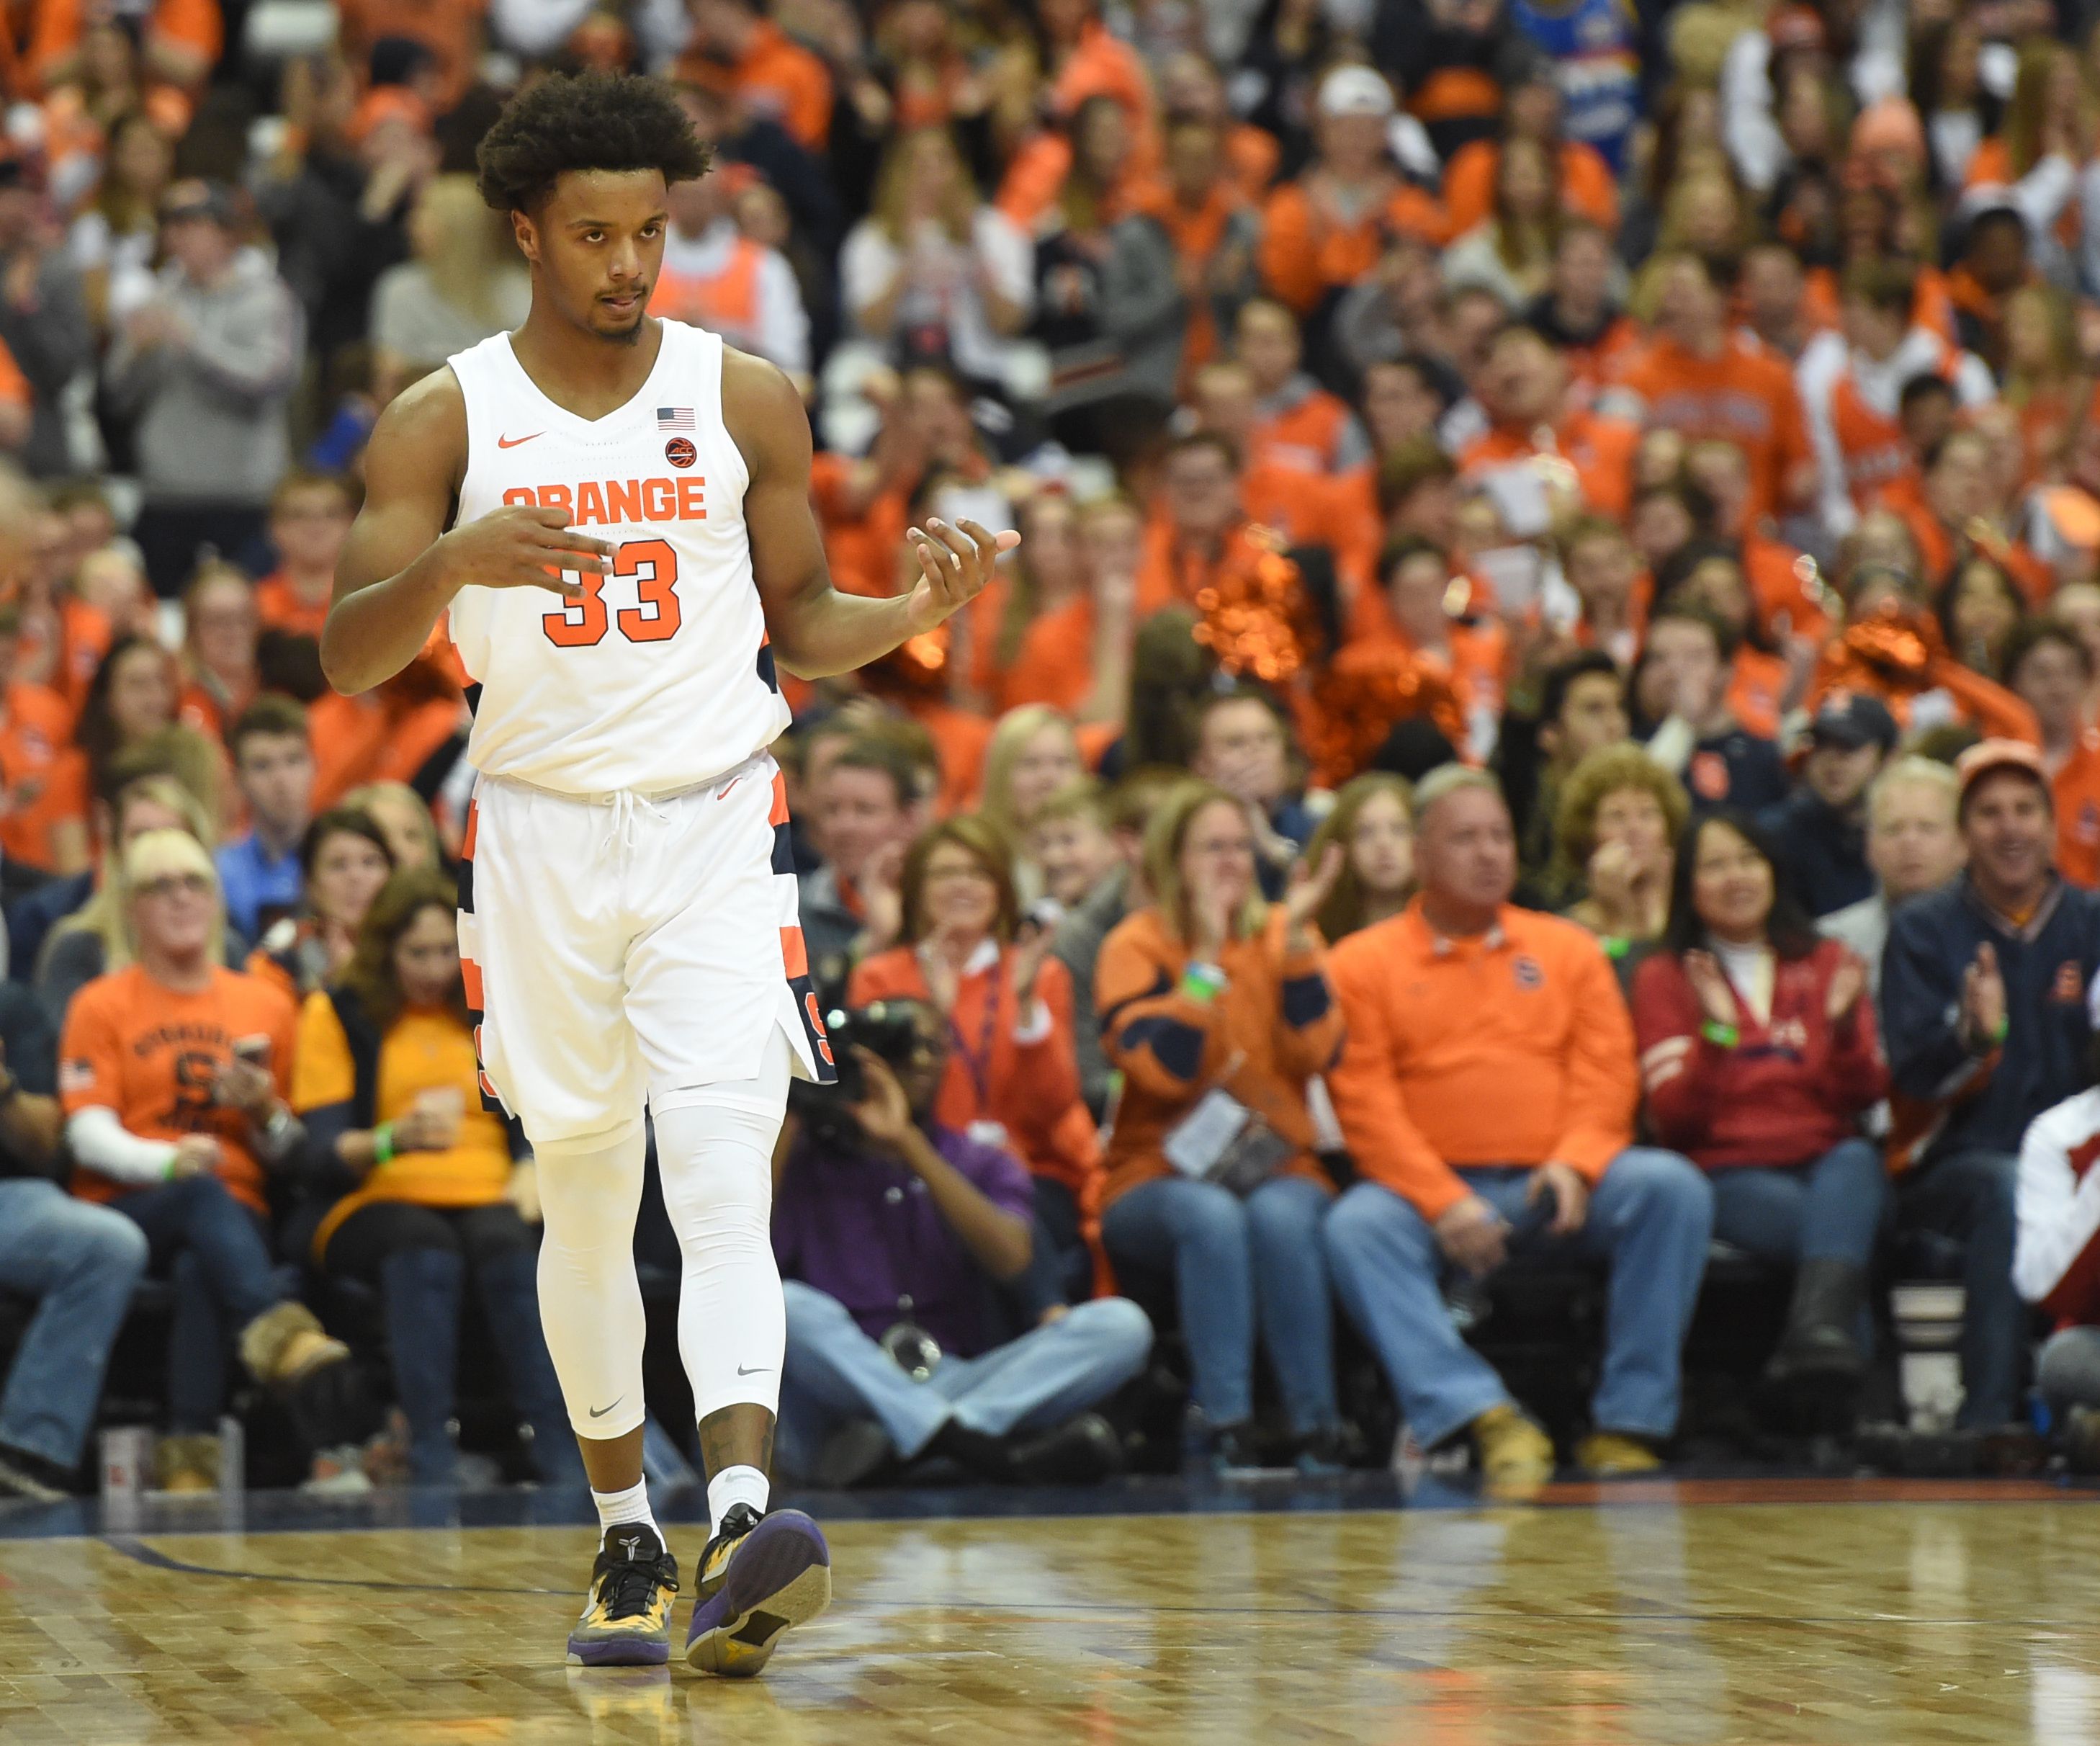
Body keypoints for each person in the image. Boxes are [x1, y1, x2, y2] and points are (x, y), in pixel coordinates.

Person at [320, 73, 1015, 1673]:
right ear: (525, 235)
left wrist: (903, 623)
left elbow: (805, 621)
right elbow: (351, 654)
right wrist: (448, 567)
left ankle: (744, 1515)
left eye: (650, 232)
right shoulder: (447, 415)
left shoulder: (745, 394)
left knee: (718, 1179)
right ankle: (626, 1533)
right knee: (583, 1191)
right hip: (542, 839)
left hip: (715, 823)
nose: (629, 265)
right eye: (594, 237)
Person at [1324, 766, 1715, 1495]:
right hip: (1430, 1197)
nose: (1489, 853)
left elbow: (1607, 1077)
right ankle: (1483, 1415)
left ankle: (1627, 1425)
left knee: (1670, 1189)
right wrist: (1444, 1201)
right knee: (1354, 1225)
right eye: (1465, 838)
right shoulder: (1360, 962)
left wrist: (1576, 1163)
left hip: (1554, 1185)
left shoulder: (1569, 948)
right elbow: (1366, 1104)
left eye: (1499, 836)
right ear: (1420, 854)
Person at [58, 829, 367, 1492]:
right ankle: (283, 1341)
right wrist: (168, 1163)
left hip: (238, 1213)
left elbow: (291, 1155)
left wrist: (263, 1112)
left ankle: (190, 1462)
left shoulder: (267, 1003)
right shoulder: (101, 1002)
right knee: (201, 1196)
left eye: (194, 882)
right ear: (130, 907)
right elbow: (86, 1134)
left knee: (207, 1261)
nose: (180, 898)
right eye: (158, 886)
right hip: (127, 1204)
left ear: (217, 898)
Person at [773, 998, 1151, 1487]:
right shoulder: (805, 1162)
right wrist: (793, 1111)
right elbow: (741, 1255)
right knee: (784, 1304)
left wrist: (908, 1143)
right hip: (845, 1389)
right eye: (902, 1049)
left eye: (934, 1047)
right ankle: (981, 1450)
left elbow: (1013, 1259)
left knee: (1123, 1325)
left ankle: (922, 1444)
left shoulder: (979, 1160)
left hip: (957, 1377)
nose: (921, 1062)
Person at [289, 868, 579, 1487]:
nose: (434, 968)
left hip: (485, 1189)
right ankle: (429, 1451)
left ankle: (557, 1448)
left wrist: (531, 1164)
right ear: (385, 951)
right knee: (423, 1246)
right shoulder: (339, 1013)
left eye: (448, 951)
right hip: (374, 1196)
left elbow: (533, 1109)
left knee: (507, 1245)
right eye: (416, 953)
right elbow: (319, 1153)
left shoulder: (489, 1008)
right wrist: (394, 1139)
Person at [1633, 813, 1889, 1408]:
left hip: (1827, 1162)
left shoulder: (1827, 960)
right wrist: (1718, 1037)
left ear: (1773, 871)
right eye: (1716, 865)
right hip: (1725, 1172)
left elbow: (1862, 1096)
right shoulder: (1665, 975)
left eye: (1749, 860)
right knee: (1839, 1237)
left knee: (1855, 1163)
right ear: (1689, 885)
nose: (1736, 877)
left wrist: (1847, 1027)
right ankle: (1858, 1403)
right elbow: (1675, 1120)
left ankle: (1813, 1352)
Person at [1880, 740, 2100, 1431]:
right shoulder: (1922, 928)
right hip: (1954, 1164)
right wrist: (1971, 1041)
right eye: (1988, 813)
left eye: (2025, 809)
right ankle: (1992, 1420)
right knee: (2005, 1187)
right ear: (1963, 832)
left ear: (2051, 820)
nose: (2009, 828)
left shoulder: (2092, 921)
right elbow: (1910, 1079)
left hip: (2077, 1156)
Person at [848, 817, 1100, 1315]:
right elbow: (885, 1100)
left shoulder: (1038, 972)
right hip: (918, 1163)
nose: (963, 884)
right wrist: (935, 1018)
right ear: (917, 890)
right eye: (945, 874)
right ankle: (1051, 1324)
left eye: (978, 873)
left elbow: (1053, 1108)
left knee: (1009, 1197)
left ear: (1001, 890)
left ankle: (1042, 1331)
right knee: (963, 1206)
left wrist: (1025, 1004)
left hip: (1027, 1165)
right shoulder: (880, 975)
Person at [102, 181, 304, 596]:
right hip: (167, 493)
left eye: (192, 224)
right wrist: (134, 356)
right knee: (162, 614)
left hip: (243, 496)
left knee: (245, 610)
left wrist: (189, 341)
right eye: (171, 226)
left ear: (228, 232)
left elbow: (268, 381)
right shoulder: (158, 297)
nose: (177, 236)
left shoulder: (267, 298)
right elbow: (118, 398)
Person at [0, 975, 148, 1500]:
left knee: (108, 1243)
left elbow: (48, 1148)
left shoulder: (9, 1005)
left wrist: (4, 1090)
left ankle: (29, 1453)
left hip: (8, 1196)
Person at [1820, 757, 1967, 993]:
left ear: (1963, 843)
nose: (1909, 842)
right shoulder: (1833, 943)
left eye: (1927, 828)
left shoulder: (1992, 938)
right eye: (1893, 829)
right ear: (1869, 846)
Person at [797, 734, 922, 992]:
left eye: (865, 810)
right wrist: (876, 943)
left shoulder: (936, 908)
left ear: (908, 819)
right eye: (832, 809)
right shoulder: (792, 909)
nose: (845, 826)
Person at [1759, 693, 1899, 919]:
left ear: (1887, 757)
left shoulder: (1903, 833)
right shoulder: (1776, 834)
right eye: (1821, 744)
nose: (1832, 760)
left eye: (1848, 746)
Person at [1553, 744, 1690, 955]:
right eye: (1617, 816)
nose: (1635, 829)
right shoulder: (1562, 932)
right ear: (1588, 836)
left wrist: (1658, 914)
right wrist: (1621, 914)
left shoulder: (1693, 922)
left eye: (1647, 814)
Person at [248, 808, 396, 1002]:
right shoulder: (281, 955)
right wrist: (337, 984)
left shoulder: (411, 945)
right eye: (338, 865)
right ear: (310, 884)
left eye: (370, 862)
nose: (356, 877)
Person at [216, 697, 315, 942]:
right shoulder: (218, 873)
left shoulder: (342, 863)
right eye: (262, 766)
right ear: (239, 780)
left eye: (293, 760)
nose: (281, 781)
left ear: (315, 766)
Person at [1303, 771, 1415, 942]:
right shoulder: (1318, 935)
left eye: (1399, 830)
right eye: (1365, 833)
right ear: (1343, 847)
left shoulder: (1448, 932)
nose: (1384, 844)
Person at [256, 471, 356, 641]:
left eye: (331, 514)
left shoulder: (370, 605)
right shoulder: (253, 607)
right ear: (274, 528)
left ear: (352, 525)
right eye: (299, 515)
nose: (316, 527)